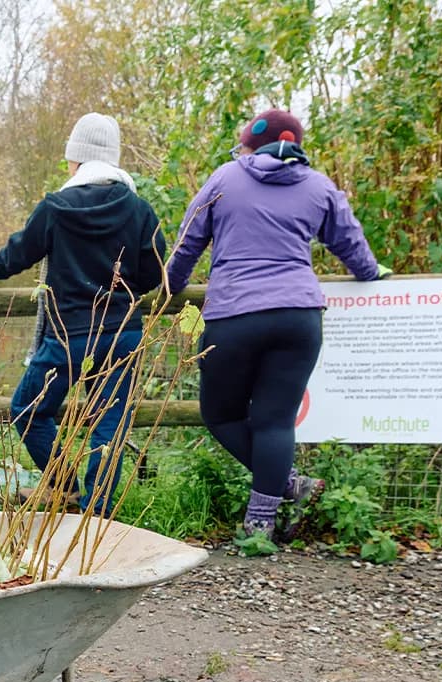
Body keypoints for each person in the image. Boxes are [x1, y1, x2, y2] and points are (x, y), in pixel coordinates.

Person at [166, 108, 386, 543]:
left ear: (249, 145)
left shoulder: (226, 178)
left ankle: (284, 490)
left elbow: (189, 240)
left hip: (234, 314)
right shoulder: (319, 186)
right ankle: (262, 523)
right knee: (274, 421)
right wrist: (370, 273)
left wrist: (169, 285)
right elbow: (351, 243)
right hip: (297, 316)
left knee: (220, 414)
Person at [0, 113, 165, 516]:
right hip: (121, 333)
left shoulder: (57, 207)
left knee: (27, 408)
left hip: (67, 335)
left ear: (78, 159)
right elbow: (154, 270)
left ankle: (64, 486)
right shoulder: (139, 210)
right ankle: (98, 514)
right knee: (109, 424)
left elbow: (22, 250)